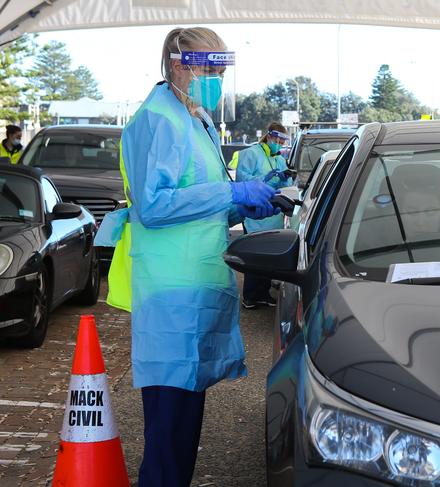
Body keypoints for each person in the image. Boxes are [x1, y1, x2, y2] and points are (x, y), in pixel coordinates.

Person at [95, 27, 278, 487]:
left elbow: (197, 199)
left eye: (221, 69)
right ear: (180, 64)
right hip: (169, 292)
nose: (216, 80)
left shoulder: (195, 120)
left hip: (193, 283)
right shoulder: (157, 120)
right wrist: (230, 190)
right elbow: (154, 207)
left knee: (182, 429)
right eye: (210, 67)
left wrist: (243, 202)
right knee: (168, 434)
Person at [236, 122, 293, 309]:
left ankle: (263, 293)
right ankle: (250, 296)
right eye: (277, 138)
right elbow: (241, 180)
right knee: (254, 255)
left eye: (283, 140)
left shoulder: (280, 160)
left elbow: (287, 187)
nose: (279, 142)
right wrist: (263, 179)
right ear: (268, 135)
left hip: (272, 214)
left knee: (268, 257)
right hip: (255, 213)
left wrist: (287, 178)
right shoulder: (250, 154)